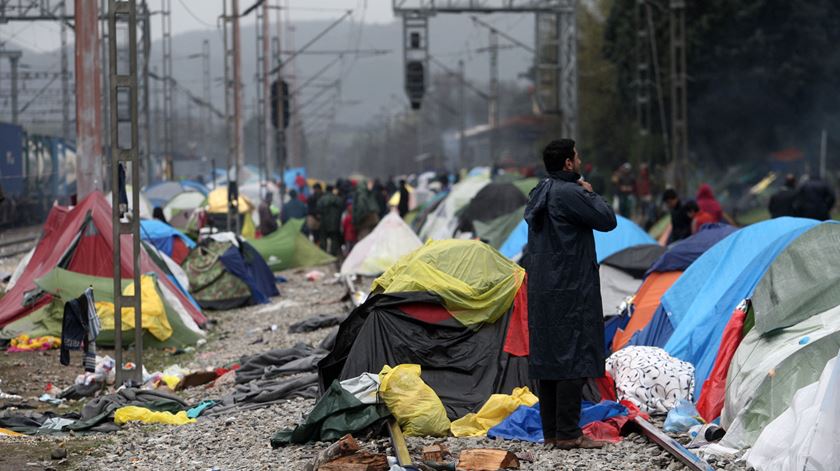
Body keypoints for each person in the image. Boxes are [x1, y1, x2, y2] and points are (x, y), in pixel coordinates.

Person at [525, 139, 616, 450]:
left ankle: (551, 431)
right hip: (572, 287)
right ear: (567, 163)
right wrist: (591, 193)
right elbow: (607, 220)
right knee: (573, 357)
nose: (579, 160)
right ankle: (568, 433)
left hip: (543, 287)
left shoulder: (540, 192)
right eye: (576, 156)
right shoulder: (571, 193)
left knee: (550, 357)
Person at [317, 185, 344, 256]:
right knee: (334, 238)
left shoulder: (322, 199)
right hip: (335, 222)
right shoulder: (338, 199)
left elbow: (318, 209)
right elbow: (342, 208)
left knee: (323, 238)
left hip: (324, 222)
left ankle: (323, 254)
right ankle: (333, 254)